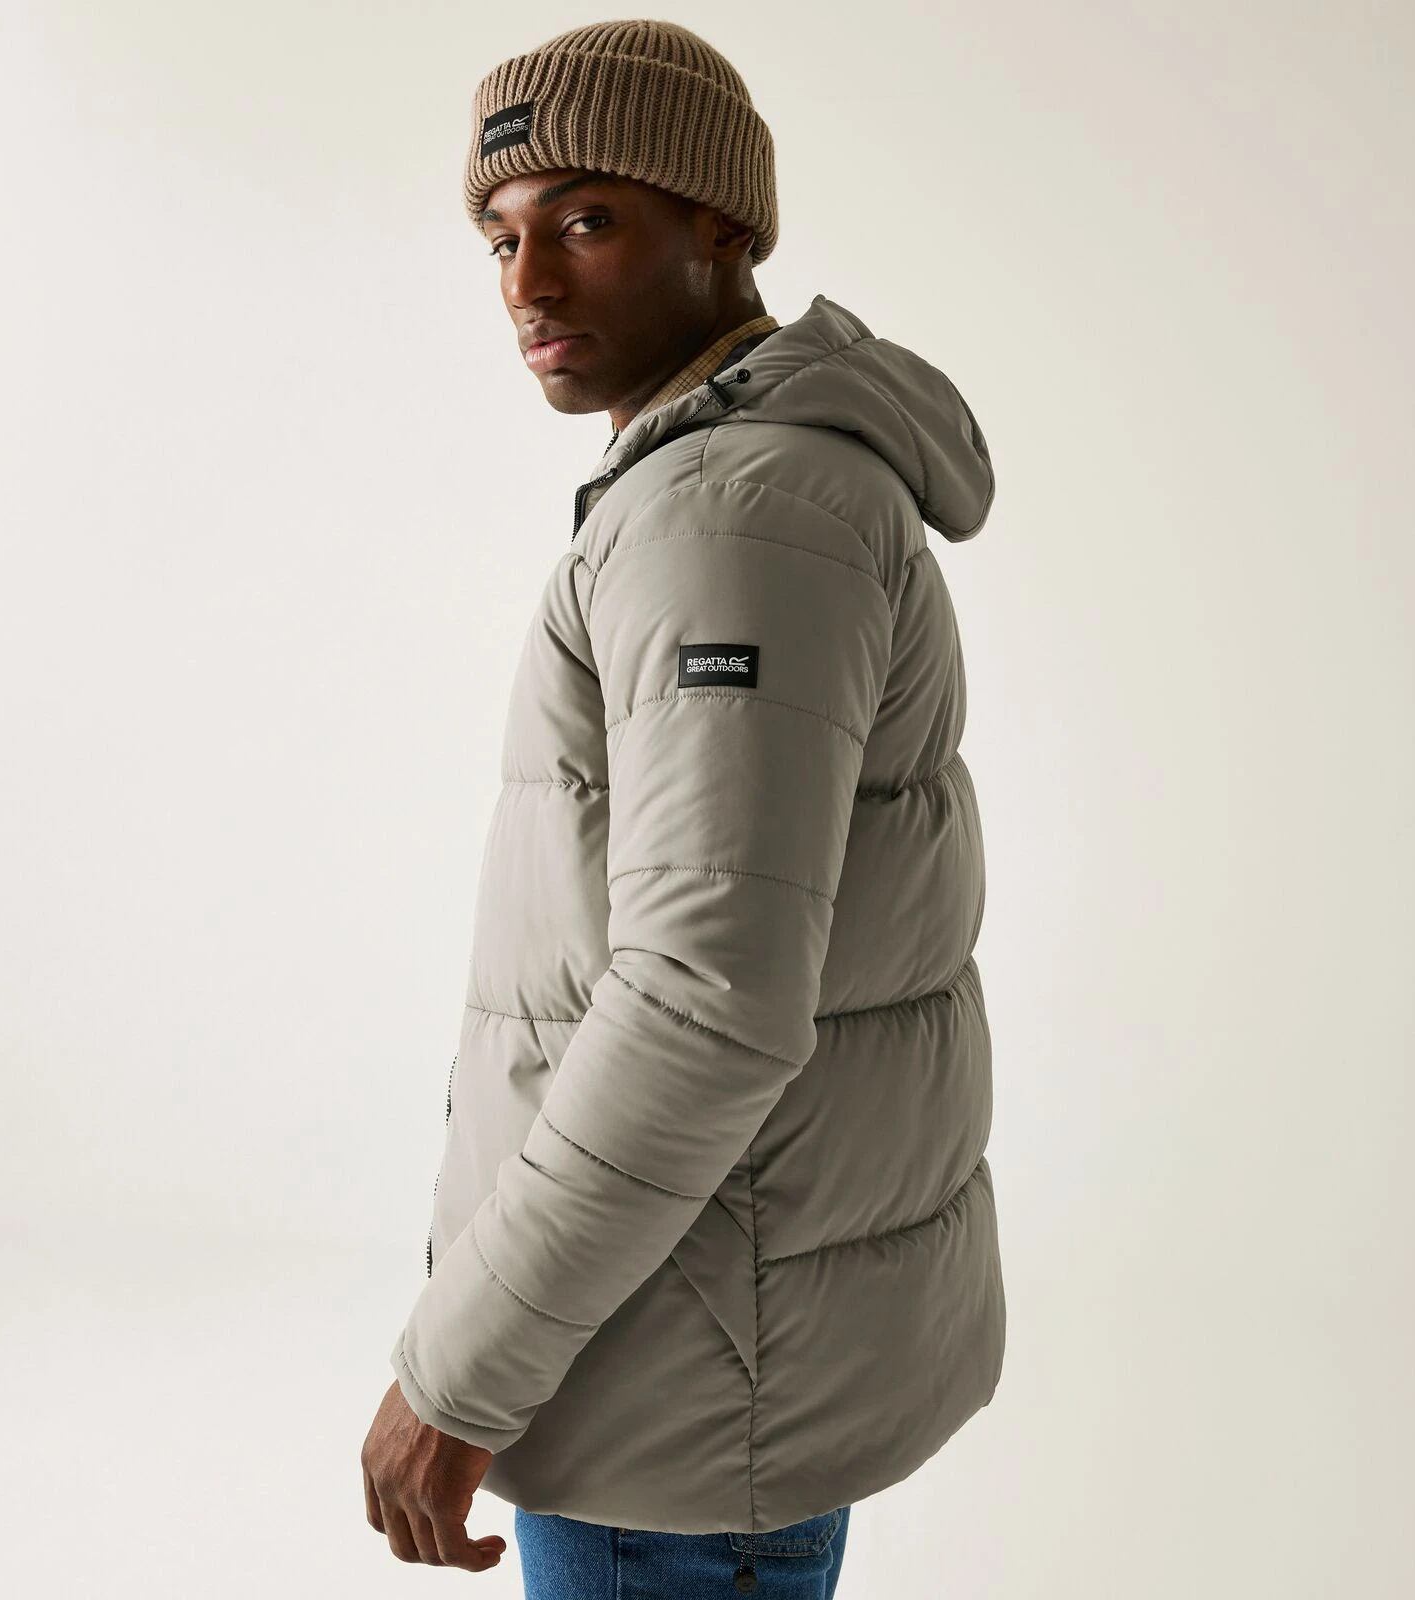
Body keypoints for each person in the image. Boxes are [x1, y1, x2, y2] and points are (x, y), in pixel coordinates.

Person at [361, 19, 1006, 1596]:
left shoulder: (730, 518)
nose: (528, 283)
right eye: (502, 237)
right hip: (707, 1337)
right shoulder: (740, 487)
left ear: (723, 228)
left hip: (673, 1385)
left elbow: (704, 1001)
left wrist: (460, 1367)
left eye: (586, 221)